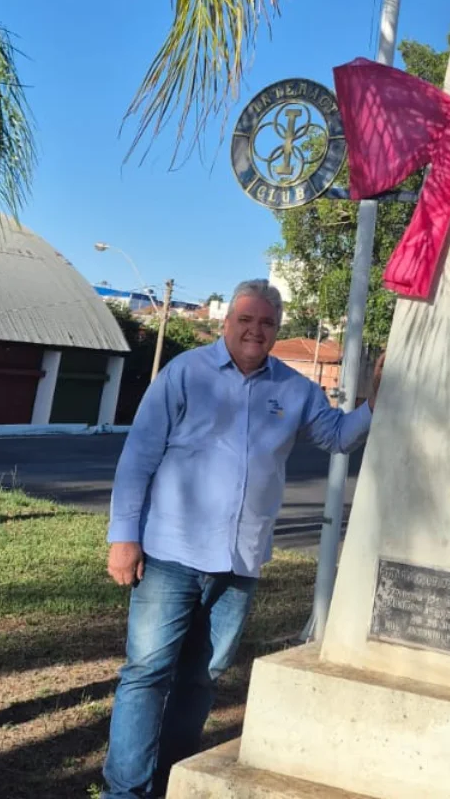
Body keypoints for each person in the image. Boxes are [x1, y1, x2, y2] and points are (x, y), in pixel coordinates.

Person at [101, 278, 379, 799]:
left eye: (267, 322)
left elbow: (337, 437)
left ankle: (171, 783)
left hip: (239, 563)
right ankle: (125, 792)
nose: (256, 330)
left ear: (277, 330)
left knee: (201, 679)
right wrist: (124, 537)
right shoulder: (185, 373)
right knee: (146, 674)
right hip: (169, 553)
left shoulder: (294, 389)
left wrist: (375, 404)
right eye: (246, 320)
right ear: (227, 322)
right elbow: (139, 456)